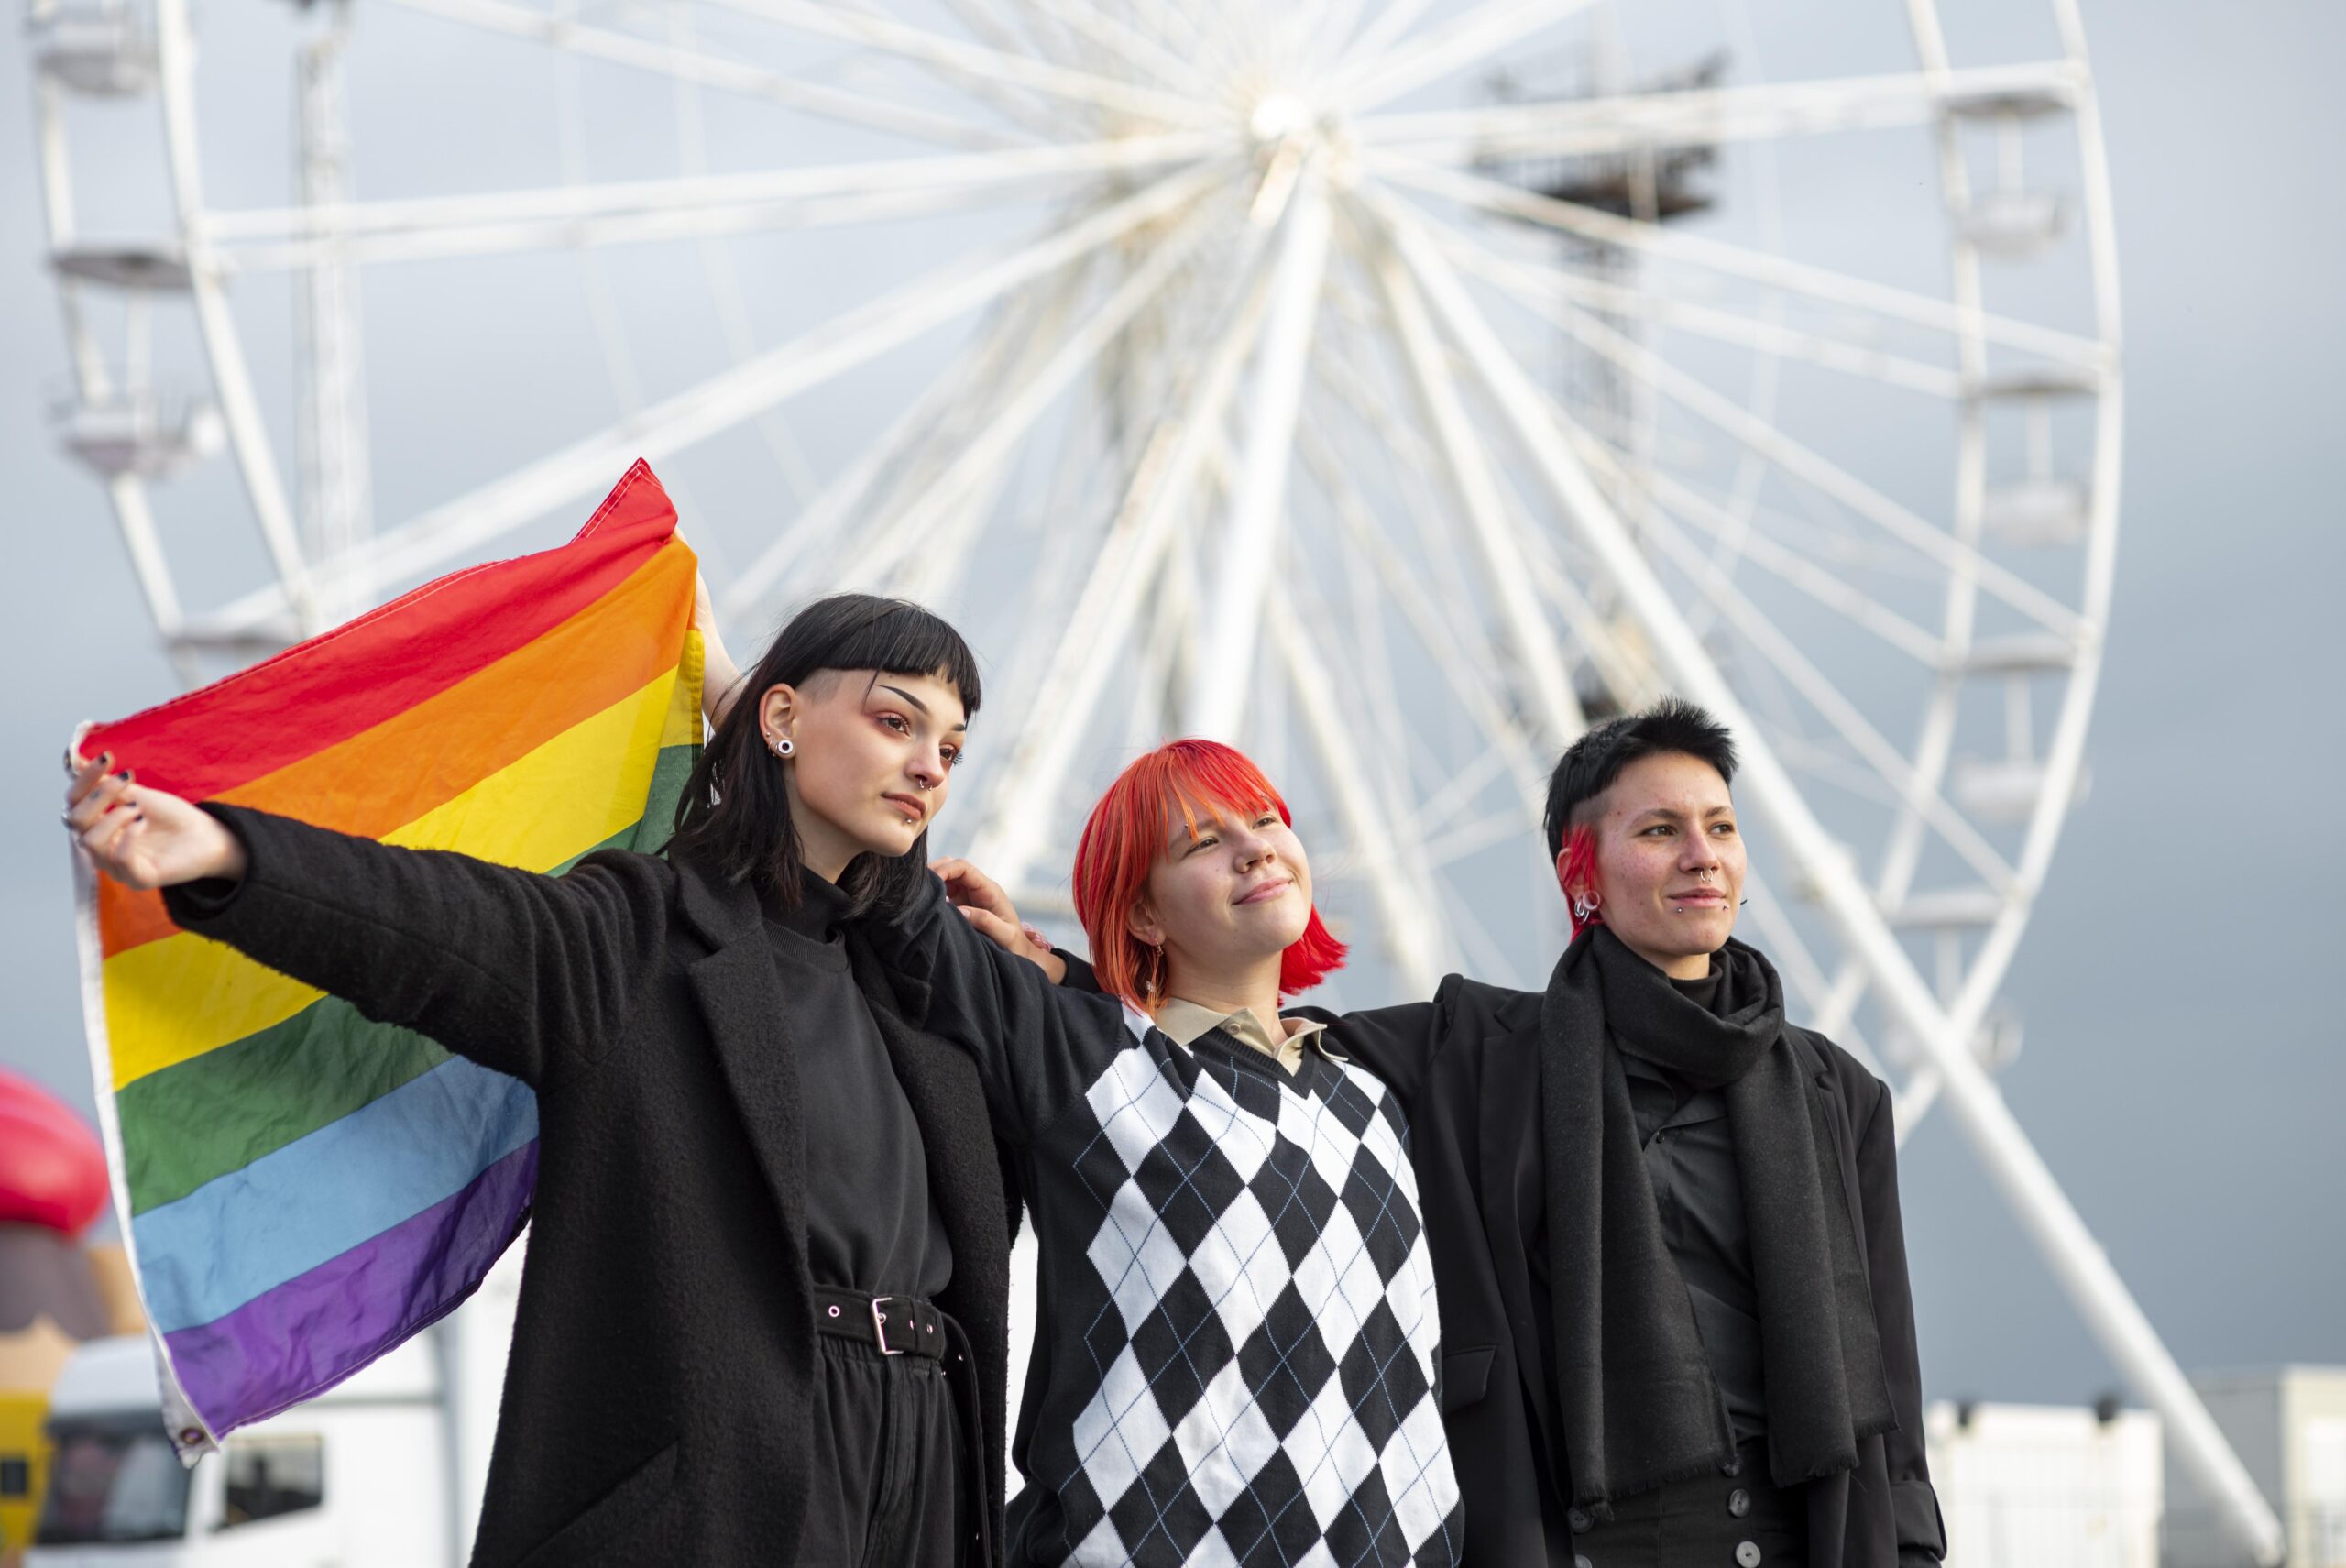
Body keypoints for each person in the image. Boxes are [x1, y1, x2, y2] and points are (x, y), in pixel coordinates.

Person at [67, 593, 1016, 1568]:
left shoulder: (921, 985)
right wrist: (233, 855)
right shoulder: (643, 936)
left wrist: (746, 696)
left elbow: (982, 966)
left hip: (931, 1459)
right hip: (750, 1461)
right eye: (895, 721)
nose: (928, 766)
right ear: (778, 718)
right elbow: (442, 924)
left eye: (950, 743)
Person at [966, 701, 1945, 1567]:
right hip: (1590, 1536)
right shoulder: (1480, 1054)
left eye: (1721, 827)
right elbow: (1234, 1035)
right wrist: (1069, 980)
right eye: (1658, 829)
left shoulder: (1833, 1091)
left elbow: (1889, 1391)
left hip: (1802, 1531)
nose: (1702, 854)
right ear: (1581, 871)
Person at [881, 739, 1464, 1567]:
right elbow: (891, 905)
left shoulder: (1369, 1098)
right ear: (1145, 914)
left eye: (1265, 818)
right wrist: (747, 697)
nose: (1255, 845)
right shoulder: (1093, 1062)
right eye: (1202, 842)